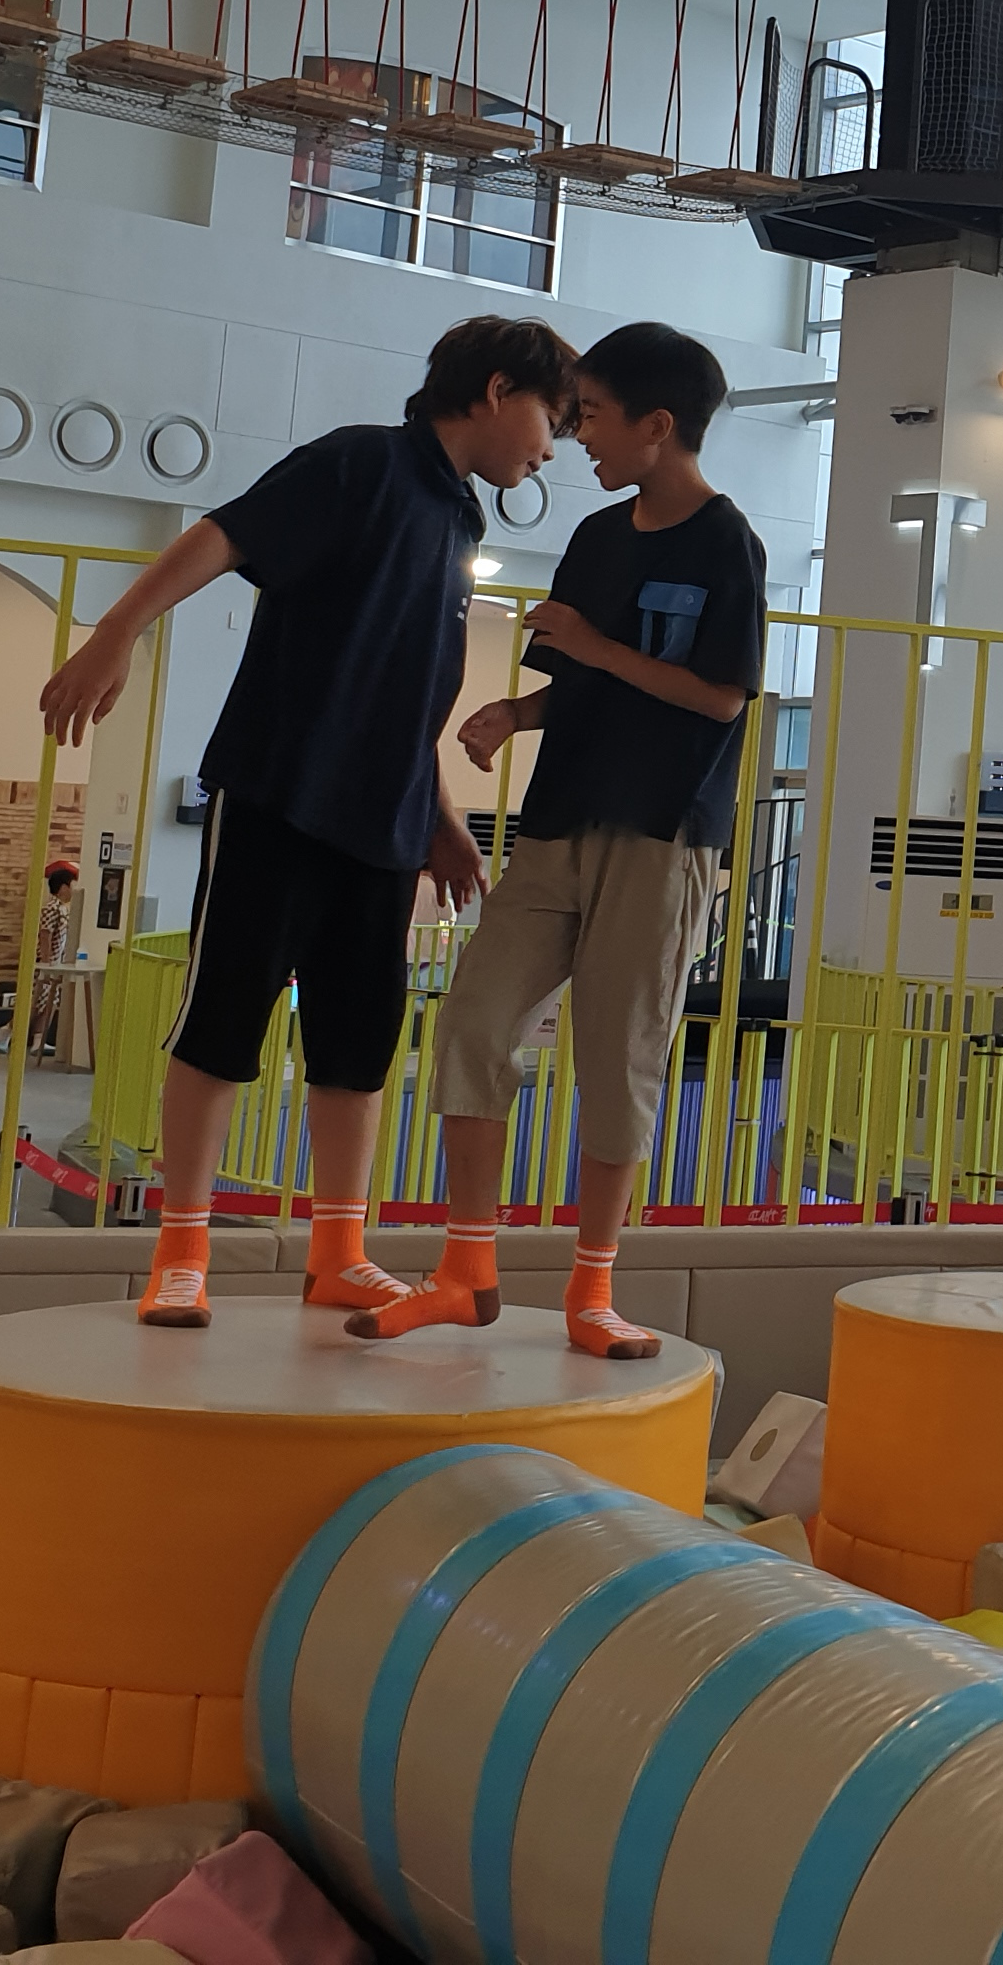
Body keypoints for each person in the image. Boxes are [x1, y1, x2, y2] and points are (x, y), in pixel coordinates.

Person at [41, 314, 578, 1331]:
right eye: (551, 421)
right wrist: (118, 630)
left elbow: (403, 692)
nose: (551, 451)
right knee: (223, 1023)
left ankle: (339, 1253)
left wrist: (439, 815)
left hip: (385, 825)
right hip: (282, 793)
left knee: (356, 1043)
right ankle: (182, 1252)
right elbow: (225, 534)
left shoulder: (461, 518)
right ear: (499, 392)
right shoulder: (362, 462)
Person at [360, 322, 763, 1359]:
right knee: (474, 1022)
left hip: (662, 835)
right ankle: (466, 1268)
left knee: (620, 1056)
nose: (578, 434)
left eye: (593, 416)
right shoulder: (596, 537)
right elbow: (578, 680)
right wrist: (517, 713)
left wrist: (591, 645)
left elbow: (720, 698)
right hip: (557, 824)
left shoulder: (728, 544)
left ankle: (594, 1286)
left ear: (658, 425)